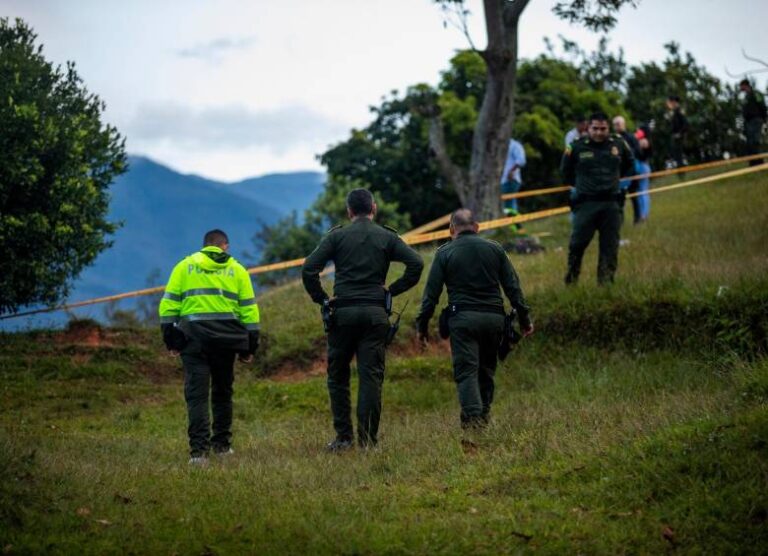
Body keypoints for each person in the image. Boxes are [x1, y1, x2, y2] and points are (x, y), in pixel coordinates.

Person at [301, 188, 423, 451]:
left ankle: (344, 438)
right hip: (375, 314)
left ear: (349, 211)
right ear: (374, 209)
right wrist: (392, 289)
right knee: (370, 377)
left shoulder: (337, 236)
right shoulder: (387, 237)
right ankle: (368, 443)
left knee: (337, 376)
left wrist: (322, 298)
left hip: (342, 314)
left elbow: (309, 268)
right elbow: (416, 264)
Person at [415, 209, 533, 429]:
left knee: (467, 370)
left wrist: (422, 327)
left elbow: (430, 297)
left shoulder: (445, 252)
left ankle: (473, 420)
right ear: (477, 227)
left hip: (463, 320)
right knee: (486, 369)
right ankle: (484, 416)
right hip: (494, 319)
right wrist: (525, 320)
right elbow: (514, 289)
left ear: (451, 230)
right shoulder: (496, 249)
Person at [158, 229, 261, 465]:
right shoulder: (238, 270)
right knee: (223, 393)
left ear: (205, 246)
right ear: (225, 246)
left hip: (194, 340)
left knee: (197, 396)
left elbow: (168, 307)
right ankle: (222, 447)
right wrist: (249, 348)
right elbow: (249, 311)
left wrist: (172, 341)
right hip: (226, 342)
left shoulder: (184, 266)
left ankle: (199, 454)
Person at [561, 112, 635, 285]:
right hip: (586, 204)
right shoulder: (577, 146)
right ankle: (571, 281)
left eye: (603, 128)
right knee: (577, 244)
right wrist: (582, 186)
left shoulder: (618, 143)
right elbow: (565, 172)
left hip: (611, 203)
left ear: (608, 128)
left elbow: (629, 164)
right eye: (595, 128)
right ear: (589, 128)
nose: (599, 132)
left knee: (610, 247)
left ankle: (606, 284)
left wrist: (617, 183)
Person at [612, 115, 642, 223]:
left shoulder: (631, 137)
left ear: (624, 124)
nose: (617, 126)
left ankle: (637, 219)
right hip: (618, 174)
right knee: (619, 199)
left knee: (634, 196)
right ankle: (620, 220)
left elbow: (638, 152)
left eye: (618, 124)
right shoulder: (612, 139)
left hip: (631, 172)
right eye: (615, 124)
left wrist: (627, 152)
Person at [500, 138, 527, 231]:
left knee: (508, 205)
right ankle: (515, 227)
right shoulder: (499, 145)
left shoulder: (514, 145)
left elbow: (521, 160)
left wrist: (511, 171)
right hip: (502, 181)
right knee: (510, 204)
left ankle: (517, 227)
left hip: (510, 180)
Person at [739, 79, 767, 166]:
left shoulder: (755, 93)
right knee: (749, 142)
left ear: (745, 85)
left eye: (741, 86)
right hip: (748, 122)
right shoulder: (746, 97)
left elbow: (762, 105)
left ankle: (759, 162)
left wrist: (764, 118)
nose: (740, 88)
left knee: (755, 141)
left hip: (756, 120)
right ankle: (752, 162)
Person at [633, 125, 653, 223]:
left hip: (642, 166)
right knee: (641, 190)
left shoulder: (644, 141)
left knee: (643, 190)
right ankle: (642, 214)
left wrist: (636, 140)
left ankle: (644, 214)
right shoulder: (645, 140)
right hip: (642, 166)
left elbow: (639, 154)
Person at [665, 95, 688, 172]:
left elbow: (685, 124)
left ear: (673, 102)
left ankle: (682, 166)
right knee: (674, 151)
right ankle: (678, 167)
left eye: (669, 103)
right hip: (675, 136)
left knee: (679, 153)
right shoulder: (673, 112)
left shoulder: (679, 111)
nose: (668, 105)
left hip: (680, 136)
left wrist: (680, 133)